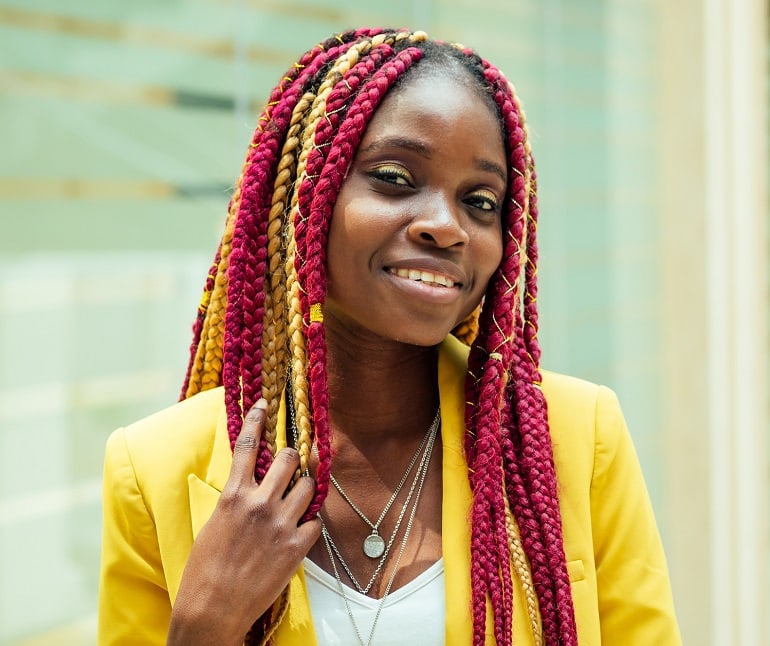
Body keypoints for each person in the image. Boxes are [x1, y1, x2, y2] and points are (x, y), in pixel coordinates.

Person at [98, 27, 681, 646]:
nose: (445, 226)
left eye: (480, 201)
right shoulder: (153, 467)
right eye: (395, 178)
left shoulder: (579, 436)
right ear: (303, 199)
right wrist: (203, 628)